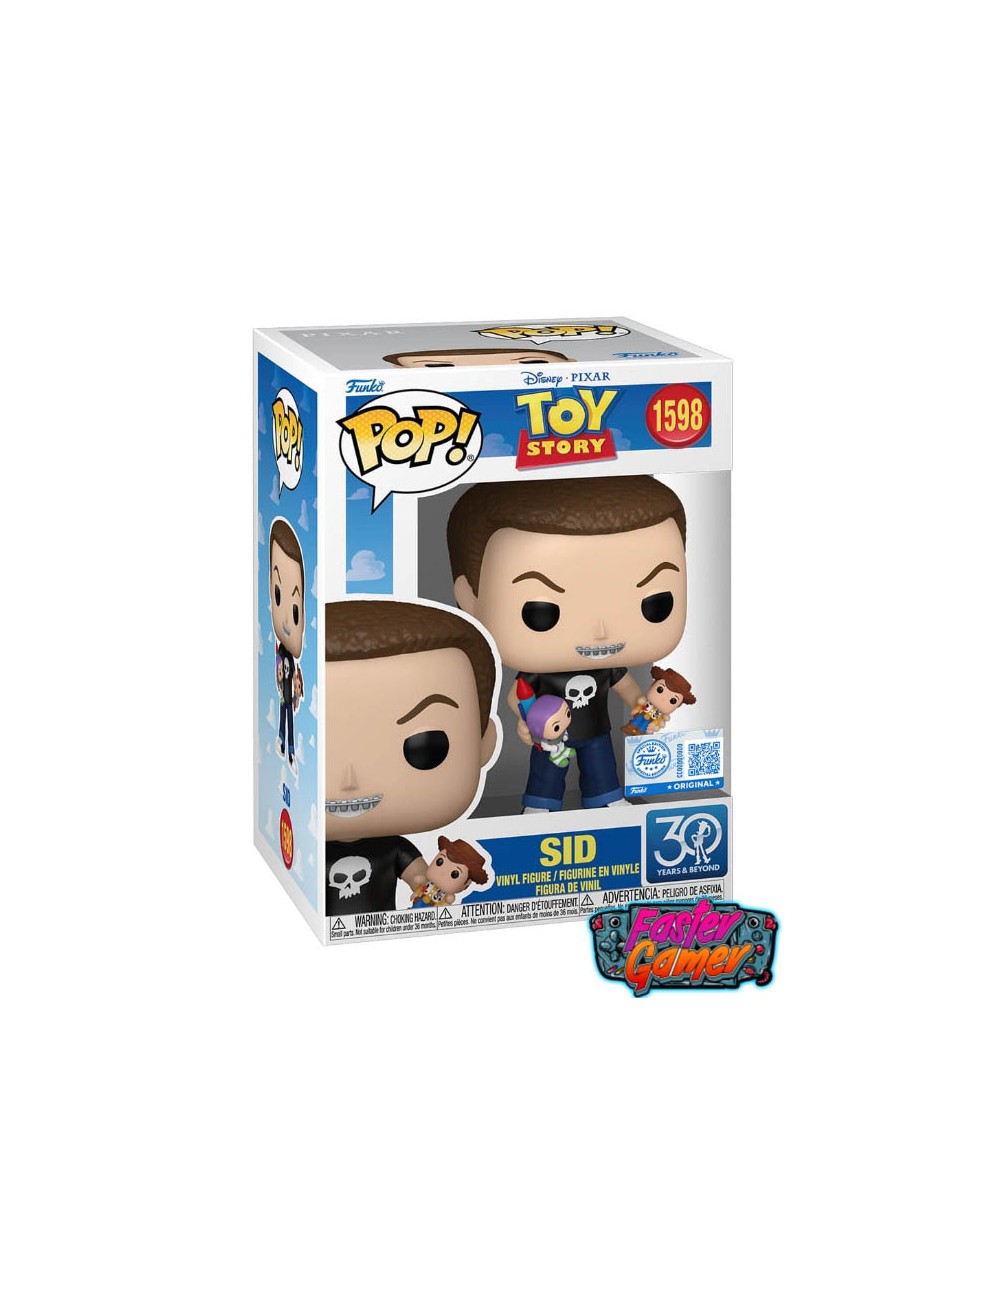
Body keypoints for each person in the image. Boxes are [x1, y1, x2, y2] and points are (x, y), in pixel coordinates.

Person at [447, 476, 687, 812]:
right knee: (546, 772)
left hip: (596, 731)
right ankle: (540, 805)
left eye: (655, 604)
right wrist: (526, 720)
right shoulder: (540, 671)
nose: (600, 632)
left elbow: (628, 688)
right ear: (470, 599)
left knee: (601, 766)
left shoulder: (606, 667)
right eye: (540, 612)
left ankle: (606, 799)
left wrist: (644, 708)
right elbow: (517, 697)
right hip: (551, 734)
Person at [324, 600, 497, 916]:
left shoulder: (392, 847)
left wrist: (433, 890)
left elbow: (419, 877)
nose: (349, 781)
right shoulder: (307, 846)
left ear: (484, 745)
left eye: (423, 747)